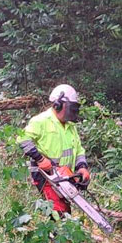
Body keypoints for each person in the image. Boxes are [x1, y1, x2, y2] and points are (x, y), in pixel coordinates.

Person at [18, 84, 91, 213]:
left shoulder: (70, 126)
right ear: (58, 105)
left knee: (65, 209)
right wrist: (39, 159)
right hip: (46, 175)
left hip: (65, 174)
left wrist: (82, 167)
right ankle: (57, 230)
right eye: (71, 108)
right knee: (58, 210)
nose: (72, 112)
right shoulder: (41, 121)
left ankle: (59, 230)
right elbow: (22, 138)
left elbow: (79, 149)